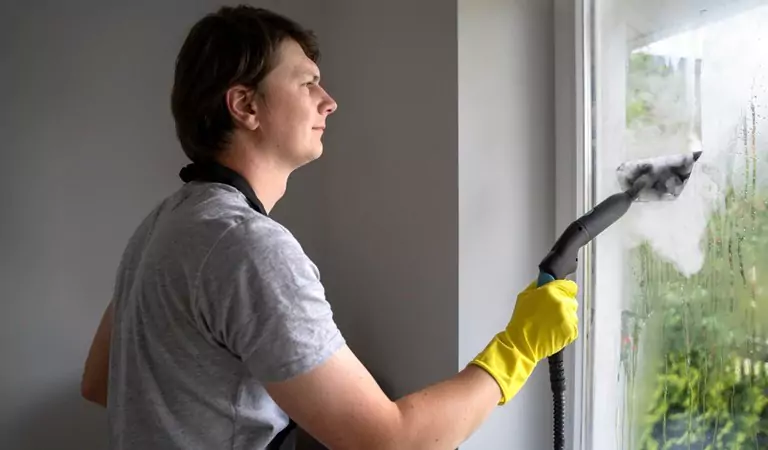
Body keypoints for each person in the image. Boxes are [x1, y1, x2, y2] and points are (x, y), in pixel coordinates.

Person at [80, 5, 580, 450]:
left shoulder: (164, 224)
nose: (329, 100)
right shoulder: (246, 246)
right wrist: (519, 345)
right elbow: (388, 443)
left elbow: (101, 383)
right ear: (246, 106)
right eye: (306, 83)